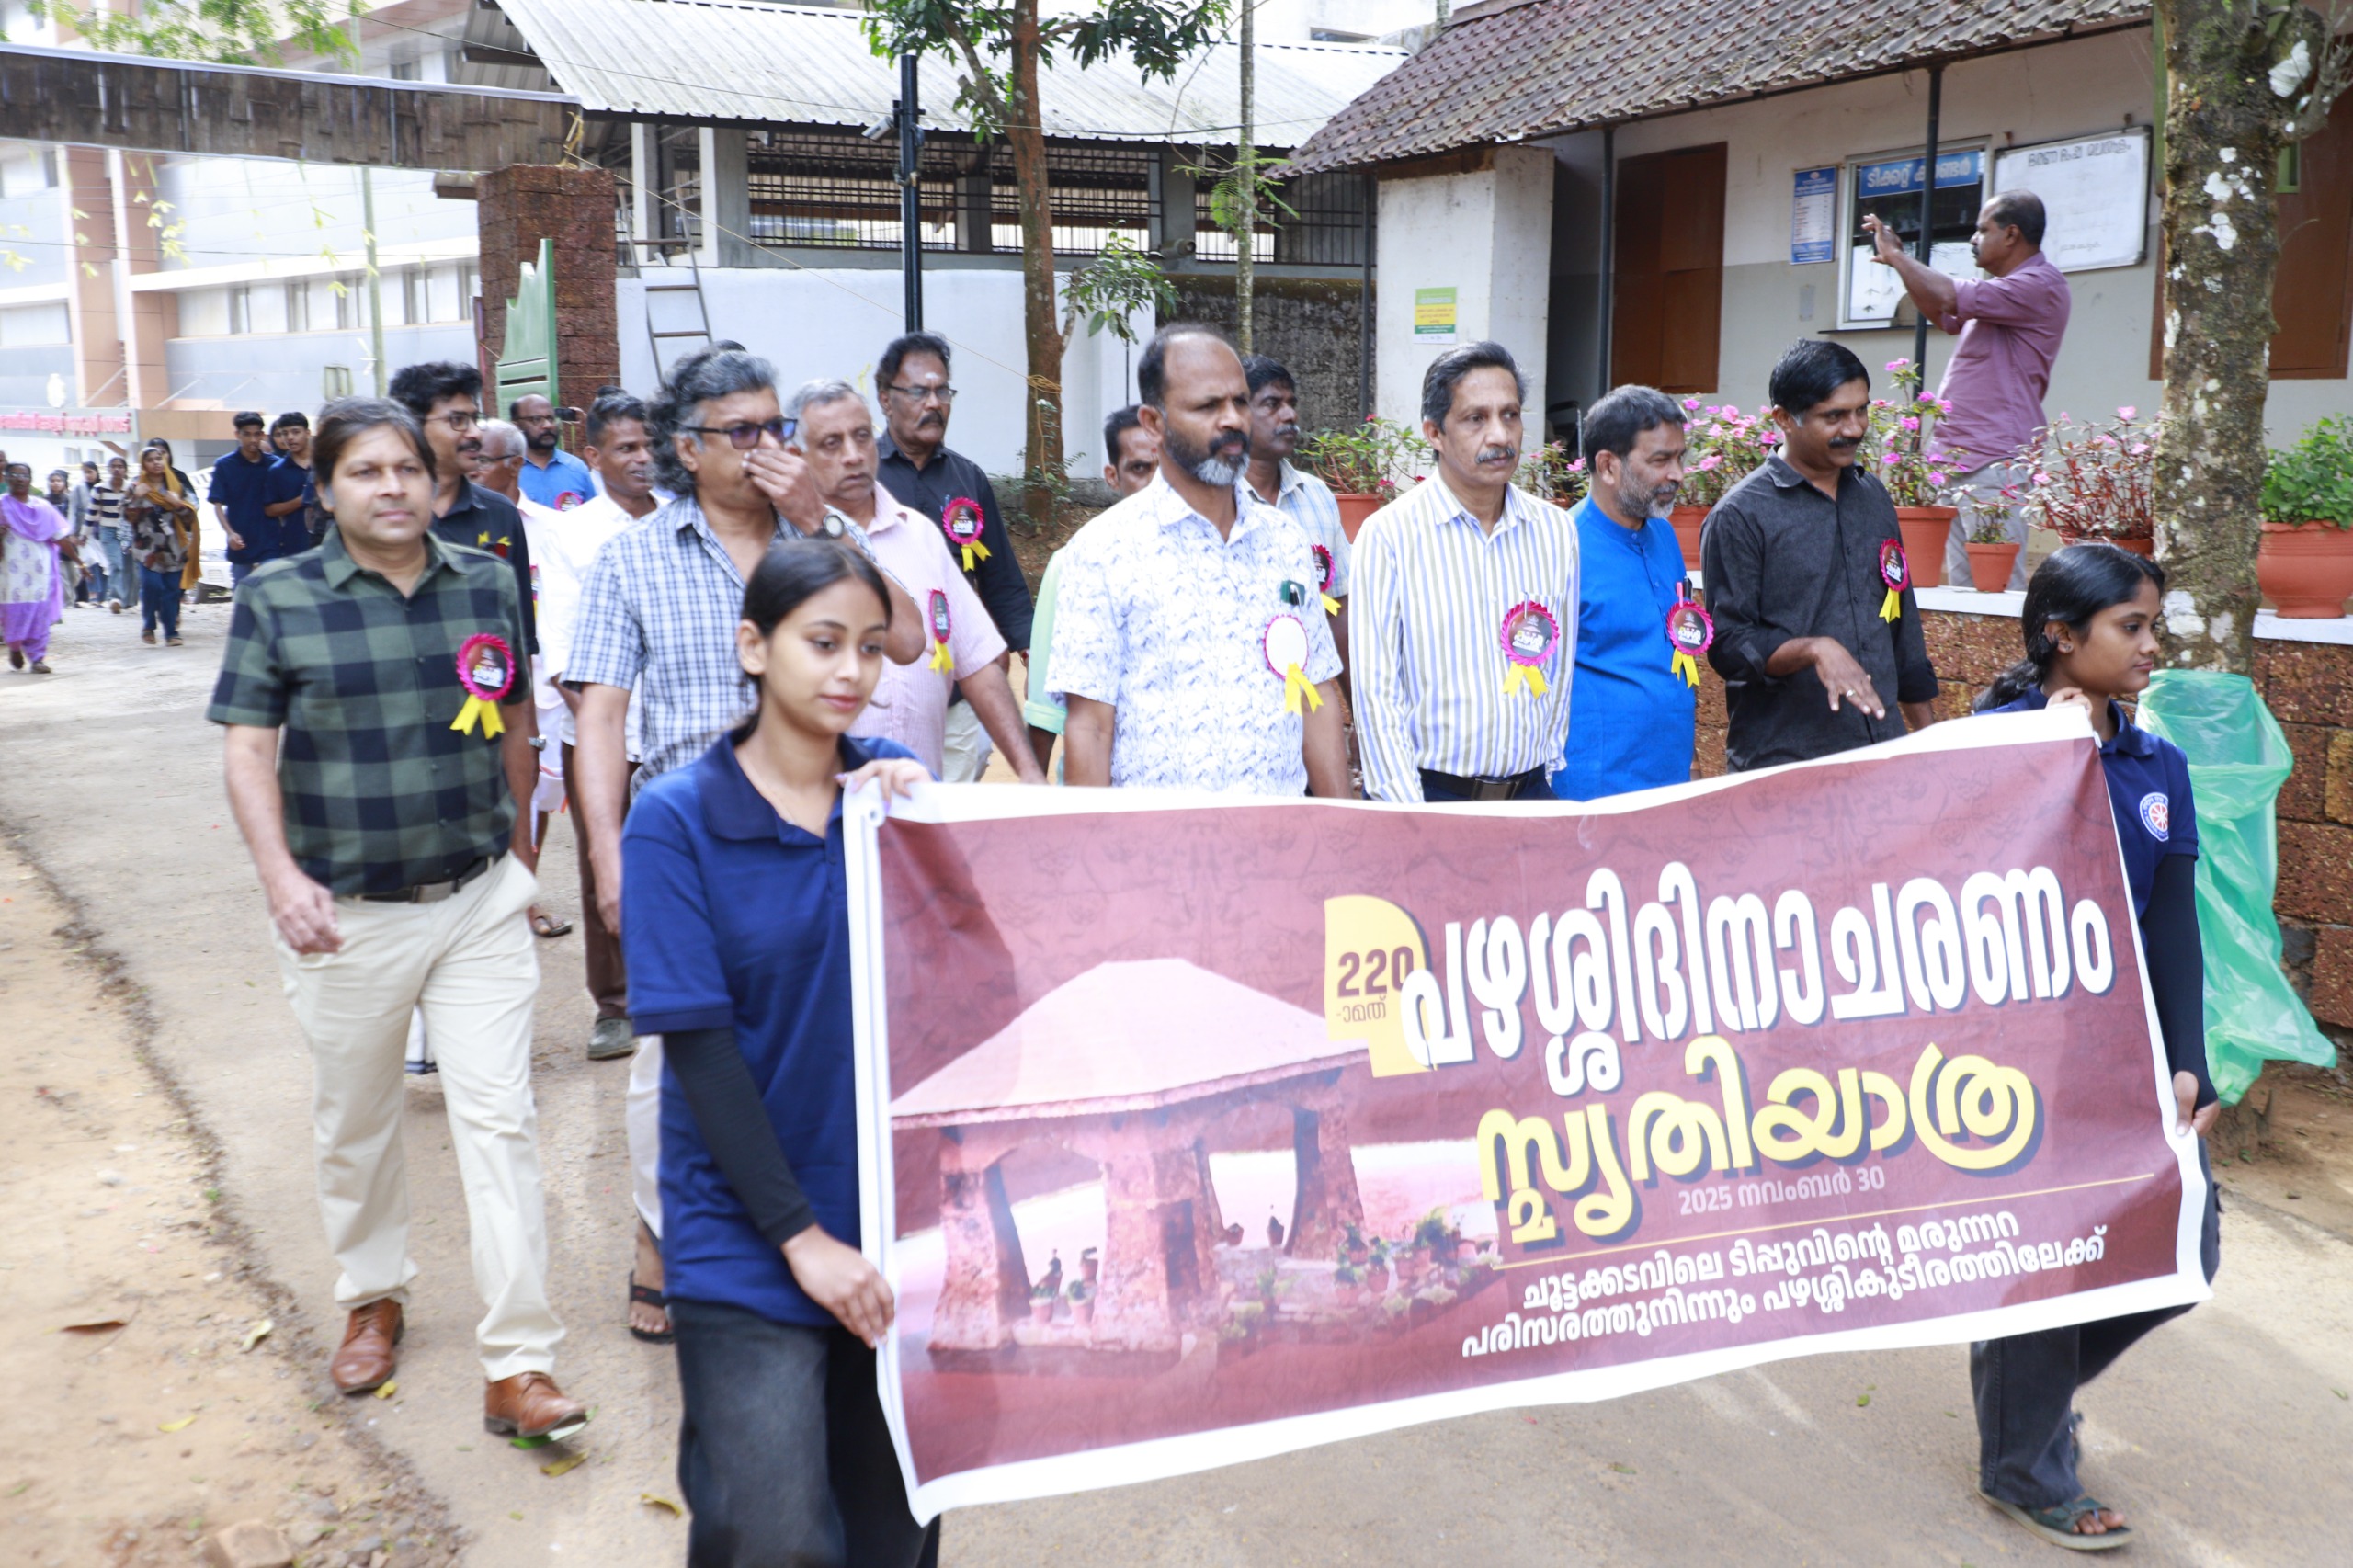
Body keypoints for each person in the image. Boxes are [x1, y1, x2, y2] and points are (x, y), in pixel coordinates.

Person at [210, 397, 590, 1441]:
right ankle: (374, 1291)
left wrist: (518, 853)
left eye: (408, 469)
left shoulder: (487, 579)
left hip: (473, 902)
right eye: (366, 472)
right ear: (326, 489)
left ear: (434, 480)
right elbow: (248, 749)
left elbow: (514, 715)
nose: (393, 488)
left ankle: (519, 1361)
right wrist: (281, 876)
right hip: (346, 916)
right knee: (356, 1121)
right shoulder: (281, 597)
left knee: (501, 1119)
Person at [568, 347, 926, 1347]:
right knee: (672, 1065)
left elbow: (903, 642)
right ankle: (666, 1237)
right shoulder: (634, 556)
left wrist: (819, 520)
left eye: (774, 426)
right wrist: (607, 857)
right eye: (742, 432)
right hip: (692, 844)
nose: (767, 448)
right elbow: (601, 716)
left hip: (824, 831)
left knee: (825, 1046)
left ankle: (819, 1236)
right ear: (685, 449)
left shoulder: (815, 532)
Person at [622, 540, 938, 1568]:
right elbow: (702, 1056)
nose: (850, 671)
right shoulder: (675, 820)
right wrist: (802, 1238)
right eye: (822, 642)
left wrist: (931, 835)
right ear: (753, 646)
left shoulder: (892, 815)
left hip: (893, 1230)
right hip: (745, 1237)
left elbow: (966, 1001)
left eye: (871, 647)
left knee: (895, 1532)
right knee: (772, 1530)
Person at [1967, 544, 2219, 1549]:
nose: (2153, 645)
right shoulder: (1987, 743)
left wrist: (2185, 1056)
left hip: (2130, 1055)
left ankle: (2022, 1389)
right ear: (2061, 636)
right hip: (2022, 1064)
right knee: (2050, 1255)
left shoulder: (2158, 762)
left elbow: (2172, 922)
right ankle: (2024, 1463)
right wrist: (2046, 753)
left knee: (2184, 1251)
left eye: (2154, 623)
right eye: (2134, 626)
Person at [1048, 324, 1348, 796]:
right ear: (1153, 423)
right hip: (1157, 855)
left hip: (1280, 848)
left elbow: (1317, 698)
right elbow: (1091, 727)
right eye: (1208, 406)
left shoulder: (1286, 542)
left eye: (1240, 402)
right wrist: (1097, 856)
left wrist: (1340, 833)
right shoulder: (1102, 552)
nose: (1232, 420)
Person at [1351, 341, 1580, 803]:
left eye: (1510, 415)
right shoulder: (1388, 537)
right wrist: (1411, 817)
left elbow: (1559, 668)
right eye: (1476, 419)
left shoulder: (1556, 530)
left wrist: (1547, 769)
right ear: (1435, 433)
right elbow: (1378, 698)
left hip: (1531, 795)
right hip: (1433, 800)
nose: (1500, 435)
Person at [790, 377, 1047, 783]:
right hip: (821, 809)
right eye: (831, 444)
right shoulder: (781, 548)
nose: (854, 455)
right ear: (795, 455)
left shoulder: (920, 534)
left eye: (861, 436)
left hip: (919, 804)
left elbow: (978, 661)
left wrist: (1030, 774)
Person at [1702, 339, 1938, 770]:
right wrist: (1813, 649)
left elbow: (1901, 623)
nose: (1854, 428)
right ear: (1784, 420)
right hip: (1787, 764)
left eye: (1861, 410)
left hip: (1883, 754)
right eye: (1834, 416)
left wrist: (1926, 742)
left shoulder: (1873, 497)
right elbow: (1729, 647)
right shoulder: (1740, 515)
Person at [536, 389, 660, 1069]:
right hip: (599, 735)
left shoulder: (683, 517)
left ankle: (683, 987)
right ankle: (615, 1005)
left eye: (648, 446)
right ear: (593, 457)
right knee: (602, 864)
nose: (642, 460)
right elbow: (562, 656)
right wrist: (605, 741)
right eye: (626, 449)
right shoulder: (571, 535)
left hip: (678, 732)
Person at [1864, 190, 2069, 590]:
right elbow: (1941, 312)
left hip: (1996, 459)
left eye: (1981, 229)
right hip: (1958, 458)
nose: (1972, 239)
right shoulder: (2001, 291)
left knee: (1996, 591)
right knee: (1963, 590)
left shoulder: (2040, 285)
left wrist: (1899, 258)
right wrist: (1903, 266)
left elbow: (1948, 295)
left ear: (2011, 235)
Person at [873, 331, 1035, 782]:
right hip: (885, 693)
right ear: (886, 399)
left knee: (948, 824)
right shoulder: (863, 477)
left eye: (943, 391)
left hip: (958, 698)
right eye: (919, 391)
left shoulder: (968, 478)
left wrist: (1028, 643)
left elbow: (999, 576)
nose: (935, 403)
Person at [1556, 385, 1697, 800]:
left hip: (1668, 785)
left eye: (1680, 458)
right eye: (1660, 460)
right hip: (1594, 795)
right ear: (1607, 466)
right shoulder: (1563, 549)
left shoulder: (1664, 534)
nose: (1678, 474)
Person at [472, 419, 574, 944]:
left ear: (513, 464)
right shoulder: (458, 526)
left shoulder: (552, 527)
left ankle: (523, 892)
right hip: (476, 688)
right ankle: (500, 902)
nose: (473, 468)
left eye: (483, 459)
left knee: (534, 793)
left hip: (544, 688)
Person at [1023, 406, 1160, 774]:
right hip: (1100, 794)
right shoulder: (1073, 564)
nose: (1156, 485)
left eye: (1165, 468)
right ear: (1112, 477)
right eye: (1140, 469)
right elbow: (1043, 707)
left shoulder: (1206, 560)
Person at [389, 361, 539, 660]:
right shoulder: (384, 513)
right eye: (457, 420)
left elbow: (520, 637)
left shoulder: (500, 513)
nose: (474, 434)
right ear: (412, 426)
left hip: (486, 698)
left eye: (475, 419)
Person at [1241, 356, 1351, 669]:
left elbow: (1339, 609)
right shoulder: (1214, 501)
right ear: (1237, 415)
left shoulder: (1317, 496)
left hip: (1309, 696)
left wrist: (1357, 709)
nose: (1290, 415)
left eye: (1291, 403)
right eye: (1272, 404)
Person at [211, 411, 311, 586]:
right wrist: (230, 533)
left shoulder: (273, 465)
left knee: (272, 588)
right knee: (242, 592)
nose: (252, 440)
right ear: (237, 435)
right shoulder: (225, 465)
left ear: (262, 435)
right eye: (247, 434)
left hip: (270, 540)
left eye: (257, 434)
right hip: (240, 539)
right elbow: (217, 504)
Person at [4, 462, 76, 673]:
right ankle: (15, 646)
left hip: (40, 573)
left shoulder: (43, 507)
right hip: (10, 574)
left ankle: (37, 658)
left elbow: (60, 537)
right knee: (14, 613)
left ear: (30, 479)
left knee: (39, 614)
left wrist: (79, 562)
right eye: (14, 474)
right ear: (6, 478)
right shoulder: (2, 505)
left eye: (24, 475)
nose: (19, 478)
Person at [124, 445, 197, 647]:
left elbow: (190, 516)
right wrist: (136, 498)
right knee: (152, 586)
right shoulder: (135, 486)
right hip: (147, 549)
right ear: (143, 464)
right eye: (150, 460)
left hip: (174, 548)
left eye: (159, 458)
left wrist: (178, 505)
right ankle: (148, 624)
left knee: (172, 590)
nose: (156, 462)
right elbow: (126, 516)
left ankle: (171, 632)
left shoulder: (175, 487)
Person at [512, 392, 597, 512]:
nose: (548, 425)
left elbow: (595, 520)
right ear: (517, 426)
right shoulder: (510, 473)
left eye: (551, 418)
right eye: (537, 420)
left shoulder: (576, 468)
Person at [273, 413, 328, 543]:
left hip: (328, 540)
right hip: (294, 542)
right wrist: (302, 500)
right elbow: (270, 510)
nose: (290, 438)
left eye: (295, 432)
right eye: (284, 433)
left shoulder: (325, 463)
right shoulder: (277, 470)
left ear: (308, 433)